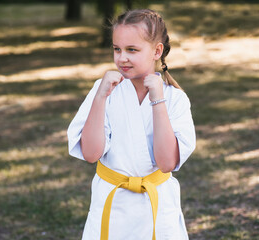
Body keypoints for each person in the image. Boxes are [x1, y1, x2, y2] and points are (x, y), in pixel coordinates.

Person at [67, 9, 196, 240]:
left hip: (156, 207)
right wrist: (100, 97)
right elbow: (90, 153)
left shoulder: (175, 99)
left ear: (157, 51)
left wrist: (158, 99)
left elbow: (166, 162)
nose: (121, 58)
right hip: (111, 204)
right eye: (117, 49)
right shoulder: (105, 90)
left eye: (132, 50)